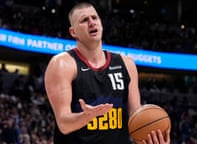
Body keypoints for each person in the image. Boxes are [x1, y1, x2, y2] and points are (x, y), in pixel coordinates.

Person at [44, 1, 170, 144]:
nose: (92, 23)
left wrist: (151, 136)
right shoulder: (62, 64)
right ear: (73, 32)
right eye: (85, 20)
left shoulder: (126, 64)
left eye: (94, 18)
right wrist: (87, 116)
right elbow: (64, 124)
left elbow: (136, 118)